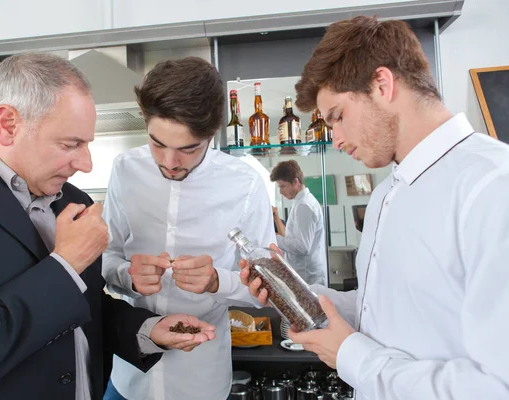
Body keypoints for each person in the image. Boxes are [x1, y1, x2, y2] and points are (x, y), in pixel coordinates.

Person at [0, 53, 215, 400]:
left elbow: (83, 308)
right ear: (8, 124)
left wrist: (147, 329)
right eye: (71, 144)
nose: (86, 164)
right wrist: (66, 263)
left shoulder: (72, 199)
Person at [241, 16, 509, 400]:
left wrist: (353, 356)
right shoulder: (388, 193)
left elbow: (497, 386)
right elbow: (381, 311)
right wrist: (289, 290)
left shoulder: (493, 185)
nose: (334, 139)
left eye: (337, 117)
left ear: (382, 85)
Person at [102, 57, 275, 400]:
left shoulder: (246, 185)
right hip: (129, 377)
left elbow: (267, 287)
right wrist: (126, 274)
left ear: (211, 134)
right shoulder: (124, 170)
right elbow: (104, 258)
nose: (169, 162)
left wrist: (217, 282)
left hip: (202, 382)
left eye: (187, 149)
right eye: (157, 143)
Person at [270, 160, 327, 285]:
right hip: (304, 274)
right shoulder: (300, 202)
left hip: (308, 277)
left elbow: (302, 247)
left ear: (295, 182)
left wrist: (274, 238)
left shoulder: (304, 206)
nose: (280, 192)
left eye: (283, 186)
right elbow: (295, 239)